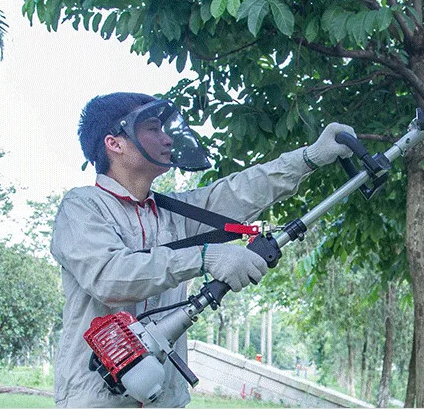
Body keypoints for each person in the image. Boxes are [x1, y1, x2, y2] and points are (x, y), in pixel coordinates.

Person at [50, 92, 356, 407]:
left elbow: (240, 191)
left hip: (164, 399)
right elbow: (110, 277)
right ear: (115, 143)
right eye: (153, 129)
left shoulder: (173, 212)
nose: (167, 139)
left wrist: (308, 157)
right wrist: (205, 257)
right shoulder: (82, 207)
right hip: (97, 401)